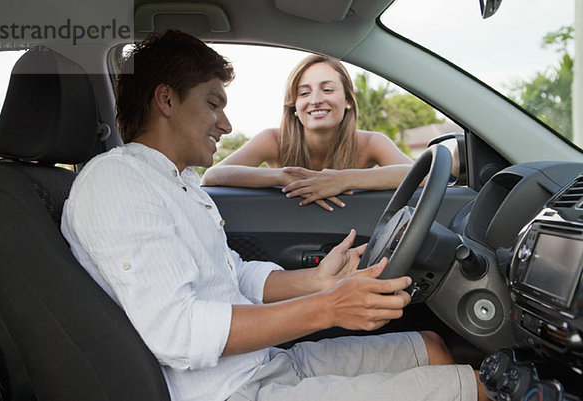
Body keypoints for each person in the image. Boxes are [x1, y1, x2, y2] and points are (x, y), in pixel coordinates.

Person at [61, 30, 487, 401]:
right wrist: (329, 308)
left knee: (431, 345)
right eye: (214, 103)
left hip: (260, 365)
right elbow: (180, 332)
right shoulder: (117, 181)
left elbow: (233, 276)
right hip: (229, 391)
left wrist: (317, 281)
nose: (225, 125)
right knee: (476, 389)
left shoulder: (181, 183)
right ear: (166, 100)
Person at [201, 54, 415, 211]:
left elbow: (420, 175)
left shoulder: (372, 143)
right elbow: (213, 176)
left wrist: (344, 179)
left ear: (348, 100)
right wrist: (284, 176)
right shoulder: (272, 139)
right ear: (295, 105)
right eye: (304, 93)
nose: (315, 100)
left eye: (328, 89)